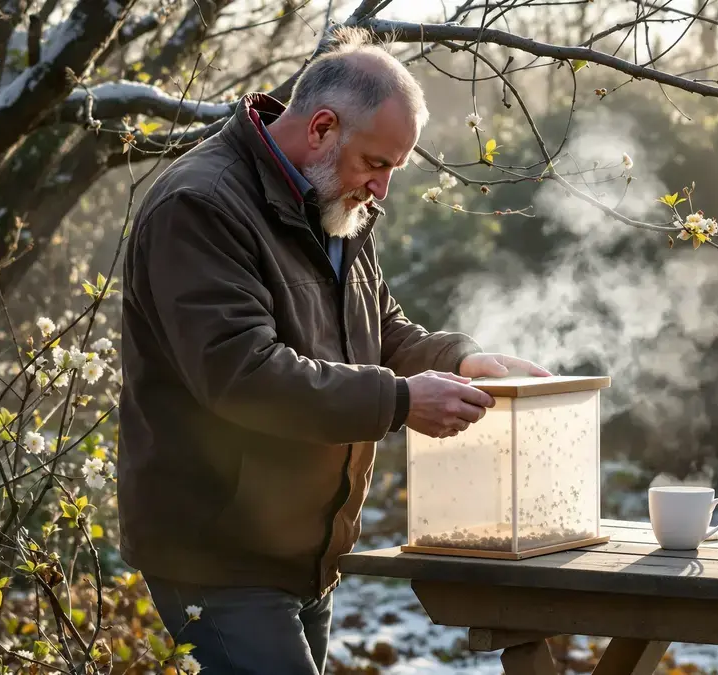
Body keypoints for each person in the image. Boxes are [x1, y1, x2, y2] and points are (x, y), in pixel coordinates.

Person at [116, 26, 549, 674]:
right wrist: (401, 402)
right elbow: (243, 374)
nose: (381, 190)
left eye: (393, 170)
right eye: (377, 164)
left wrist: (459, 360)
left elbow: (377, 326)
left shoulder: (335, 198)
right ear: (320, 128)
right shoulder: (199, 206)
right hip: (217, 554)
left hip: (305, 553)